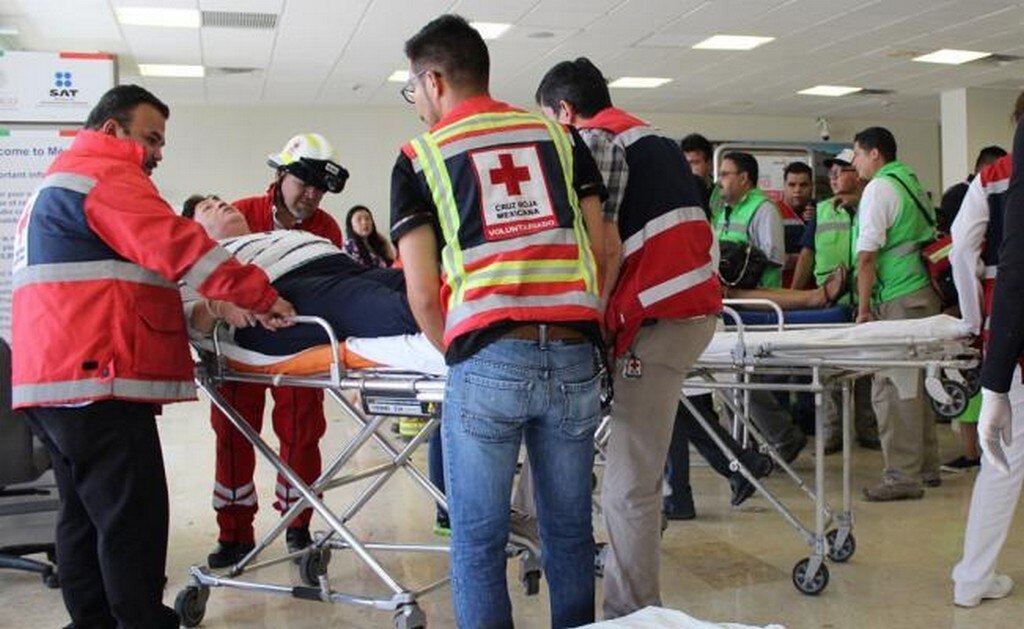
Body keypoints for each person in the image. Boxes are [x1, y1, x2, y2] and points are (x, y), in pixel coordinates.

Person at [10, 85, 293, 629]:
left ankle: (91, 621)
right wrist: (259, 294)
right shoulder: (103, 173)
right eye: (152, 138)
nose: (159, 152)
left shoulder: (57, 181)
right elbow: (177, 244)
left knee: (82, 517)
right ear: (111, 130)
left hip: (51, 379)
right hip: (98, 375)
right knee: (131, 519)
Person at [392, 16, 609, 628]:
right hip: (573, 352)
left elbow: (421, 292)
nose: (416, 102)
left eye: (413, 89)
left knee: (478, 540)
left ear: (434, 81)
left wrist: (460, 350)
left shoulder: (421, 157)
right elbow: (600, 248)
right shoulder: (561, 137)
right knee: (569, 531)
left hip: (488, 356)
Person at [536, 56, 722, 619]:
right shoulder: (655, 140)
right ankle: (533, 526)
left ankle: (634, 613)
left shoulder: (595, 144)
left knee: (629, 484)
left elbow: (600, 248)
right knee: (615, 466)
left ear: (564, 111)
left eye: (548, 120)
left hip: (657, 319)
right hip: (686, 310)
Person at [205, 133, 348, 568]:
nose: (312, 196)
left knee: (303, 432)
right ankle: (234, 534)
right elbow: (213, 277)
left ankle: (298, 524)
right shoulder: (240, 214)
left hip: (296, 345)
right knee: (233, 435)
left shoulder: (327, 228)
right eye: (304, 185)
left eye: (320, 190)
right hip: (242, 343)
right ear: (281, 174)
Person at [952, 92, 1024, 607]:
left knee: (1003, 461)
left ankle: (973, 578)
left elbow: (961, 249)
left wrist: (975, 322)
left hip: (1011, 334)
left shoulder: (993, 178)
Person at [183, 195, 419, 349]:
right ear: (193, 230)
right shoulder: (198, 260)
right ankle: (437, 322)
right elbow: (186, 317)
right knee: (376, 301)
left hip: (343, 267)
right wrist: (219, 307)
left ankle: (440, 308)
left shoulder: (272, 235)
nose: (219, 204)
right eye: (208, 208)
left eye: (219, 200)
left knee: (420, 282)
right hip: (279, 291)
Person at [852, 126, 941, 501]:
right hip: (921, 294)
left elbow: (867, 256)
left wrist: (863, 308)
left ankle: (902, 477)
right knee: (916, 385)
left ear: (874, 153)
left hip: (897, 298)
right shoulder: (910, 182)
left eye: (857, 154)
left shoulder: (879, 188)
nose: (854, 162)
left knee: (892, 387)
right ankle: (926, 467)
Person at [712, 151, 808, 463]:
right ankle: (753, 446)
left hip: (758, 305)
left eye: (726, 174)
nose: (720, 181)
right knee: (731, 377)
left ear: (744, 178)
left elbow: (774, 258)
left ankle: (777, 439)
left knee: (747, 379)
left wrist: (737, 263)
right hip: (730, 305)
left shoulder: (763, 209)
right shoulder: (723, 210)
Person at [788, 149, 880, 453]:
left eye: (842, 170)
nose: (834, 176)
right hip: (828, 303)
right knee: (827, 368)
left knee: (867, 369)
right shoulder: (823, 210)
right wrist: (794, 297)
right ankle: (831, 432)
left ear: (858, 173)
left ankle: (868, 429)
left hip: (868, 298)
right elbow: (807, 254)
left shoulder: (872, 204)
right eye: (832, 172)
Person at [680, 132, 715, 211]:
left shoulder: (720, 195)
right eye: (685, 164)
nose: (688, 169)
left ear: (710, 164)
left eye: (695, 163)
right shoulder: (677, 196)